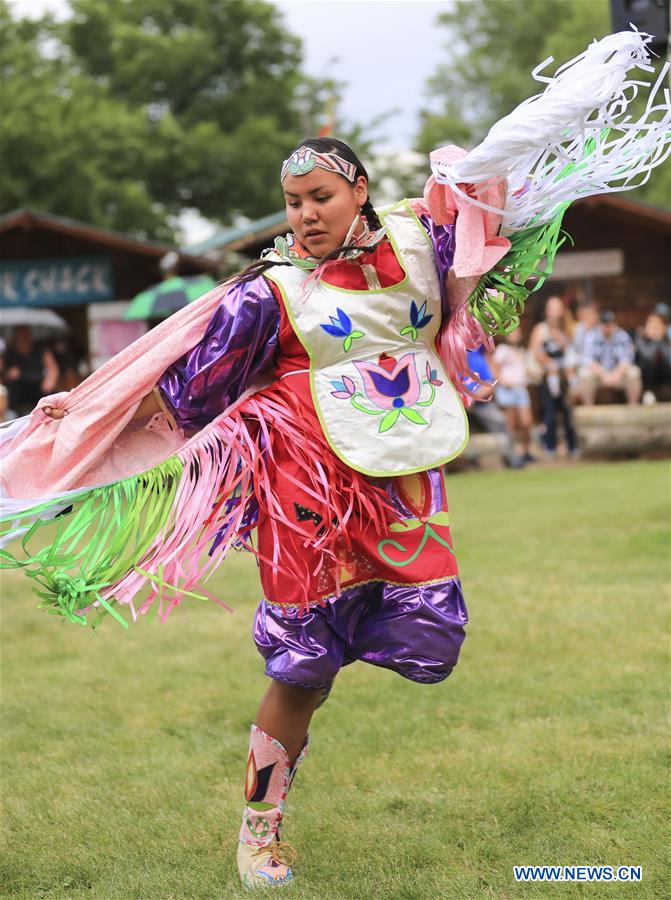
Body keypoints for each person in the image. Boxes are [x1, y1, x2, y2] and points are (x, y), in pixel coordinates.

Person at [2, 30, 670, 893]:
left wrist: (610, 67)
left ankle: (289, 765)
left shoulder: (428, 242)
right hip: (301, 486)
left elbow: (512, 146)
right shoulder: (271, 292)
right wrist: (89, 410)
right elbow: (184, 385)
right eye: (291, 202)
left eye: (318, 196)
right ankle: (259, 831)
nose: (303, 215)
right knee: (303, 667)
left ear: (357, 191)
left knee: (430, 636)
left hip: (395, 477)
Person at [529, 296, 578, 457]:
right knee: (549, 413)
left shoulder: (567, 328)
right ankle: (550, 447)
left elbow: (571, 350)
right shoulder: (540, 329)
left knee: (567, 413)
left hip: (565, 375)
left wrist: (560, 338)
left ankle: (573, 447)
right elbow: (535, 352)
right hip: (547, 376)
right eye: (551, 308)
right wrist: (549, 363)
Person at [466, 344, 525, 468]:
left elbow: (490, 384)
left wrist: (472, 398)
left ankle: (513, 459)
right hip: (457, 404)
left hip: (480, 404)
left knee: (501, 422)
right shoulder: (449, 356)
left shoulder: (477, 357)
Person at [578, 310, 642, 405]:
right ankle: (589, 410)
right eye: (604, 323)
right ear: (600, 324)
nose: (607, 326)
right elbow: (588, 360)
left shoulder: (622, 336)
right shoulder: (591, 336)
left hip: (618, 374)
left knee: (634, 372)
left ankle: (633, 407)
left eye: (609, 323)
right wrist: (604, 375)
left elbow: (627, 359)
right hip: (599, 375)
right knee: (584, 373)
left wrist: (616, 374)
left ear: (614, 324)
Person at [490, 328, 535, 462]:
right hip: (507, 390)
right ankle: (511, 454)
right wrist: (502, 382)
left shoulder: (522, 350)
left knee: (526, 422)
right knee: (511, 423)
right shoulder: (502, 350)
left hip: (520, 389)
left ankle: (526, 451)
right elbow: (495, 368)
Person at [2, 324, 60, 415]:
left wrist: (50, 380)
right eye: (20, 335)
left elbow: (53, 369)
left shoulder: (40, 349)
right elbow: (3, 373)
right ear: (15, 337)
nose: (23, 338)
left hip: (39, 387)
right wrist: (9, 374)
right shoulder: (9, 352)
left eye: (26, 335)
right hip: (18, 392)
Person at [635, 311, 671, 403]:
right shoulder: (640, 340)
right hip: (647, 377)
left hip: (664, 375)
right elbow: (647, 356)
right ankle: (649, 392)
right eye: (651, 324)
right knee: (648, 364)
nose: (654, 327)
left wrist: (660, 339)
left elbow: (667, 356)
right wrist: (655, 340)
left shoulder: (667, 340)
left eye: (657, 324)